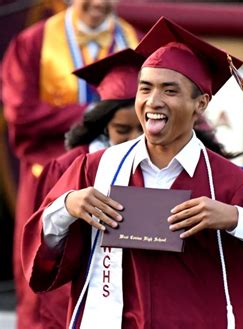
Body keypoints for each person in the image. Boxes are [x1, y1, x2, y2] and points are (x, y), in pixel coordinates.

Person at [22, 17, 243, 329]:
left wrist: (236, 218)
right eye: (146, 88)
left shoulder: (234, 185)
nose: (153, 101)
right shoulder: (94, 170)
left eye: (169, 90)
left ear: (201, 104)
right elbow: (41, 252)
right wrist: (67, 206)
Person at [1, 1, 139, 328]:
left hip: (122, 177)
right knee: (42, 280)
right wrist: (95, 114)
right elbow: (21, 116)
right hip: (49, 180)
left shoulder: (138, 44)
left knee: (117, 276)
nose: (99, 3)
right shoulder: (34, 43)